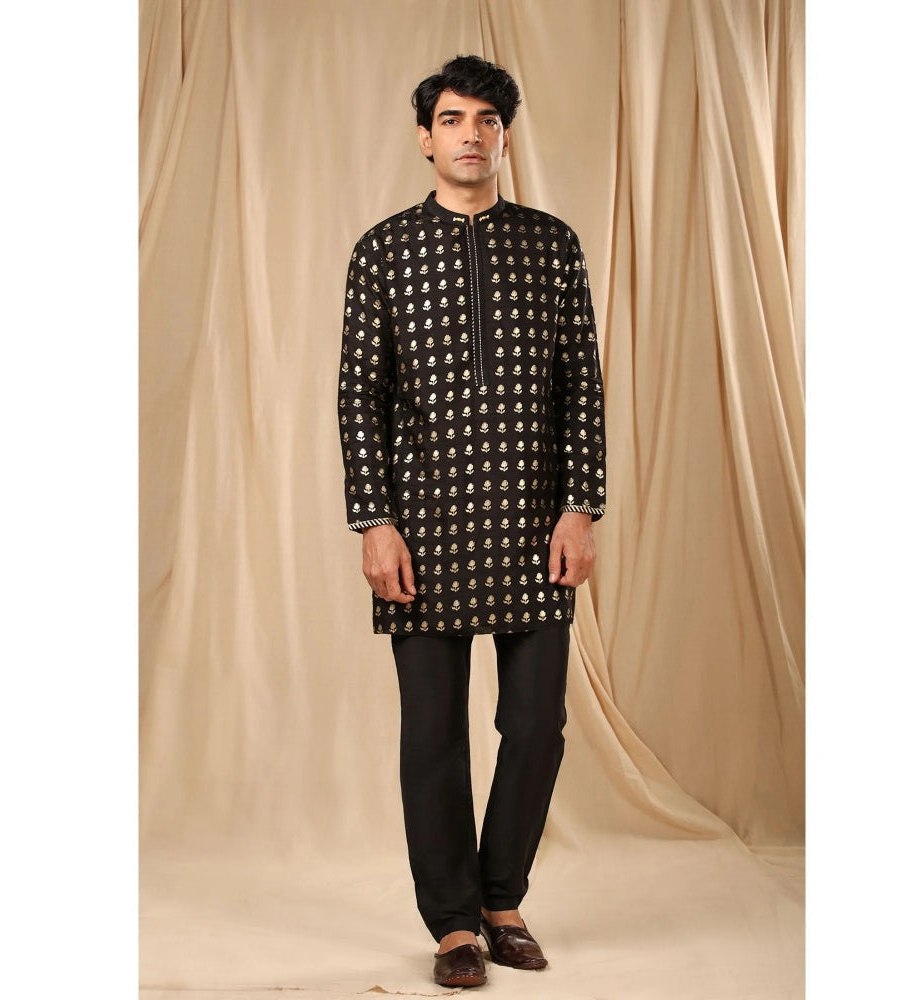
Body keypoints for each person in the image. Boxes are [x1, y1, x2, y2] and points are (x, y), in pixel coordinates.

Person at [337, 54, 607, 988]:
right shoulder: (383, 251)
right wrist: (374, 520)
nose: (470, 135)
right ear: (425, 137)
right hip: (424, 527)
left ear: (505, 136)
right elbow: (359, 397)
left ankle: (503, 901)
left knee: (536, 726)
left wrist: (580, 506)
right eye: (452, 119)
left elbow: (581, 387)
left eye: (487, 120)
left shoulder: (552, 244)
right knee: (433, 737)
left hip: (536, 524)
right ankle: (454, 925)